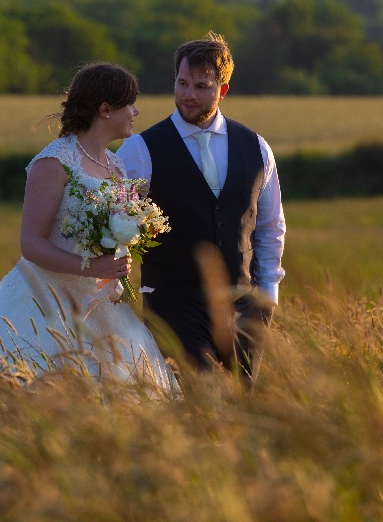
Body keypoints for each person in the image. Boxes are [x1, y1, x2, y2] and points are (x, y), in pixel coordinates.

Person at [0, 63, 179, 395]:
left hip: (101, 305)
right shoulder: (54, 162)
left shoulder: (114, 164)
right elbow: (30, 243)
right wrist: (91, 266)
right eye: (130, 103)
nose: (136, 111)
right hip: (46, 303)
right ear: (105, 110)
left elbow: (112, 230)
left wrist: (123, 249)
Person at [118, 32, 285, 378]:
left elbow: (269, 228)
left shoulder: (256, 147)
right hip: (172, 303)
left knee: (242, 409)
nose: (188, 95)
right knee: (199, 401)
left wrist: (268, 298)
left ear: (222, 90)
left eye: (201, 86)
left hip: (244, 307)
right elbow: (111, 221)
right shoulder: (139, 150)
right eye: (182, 83)